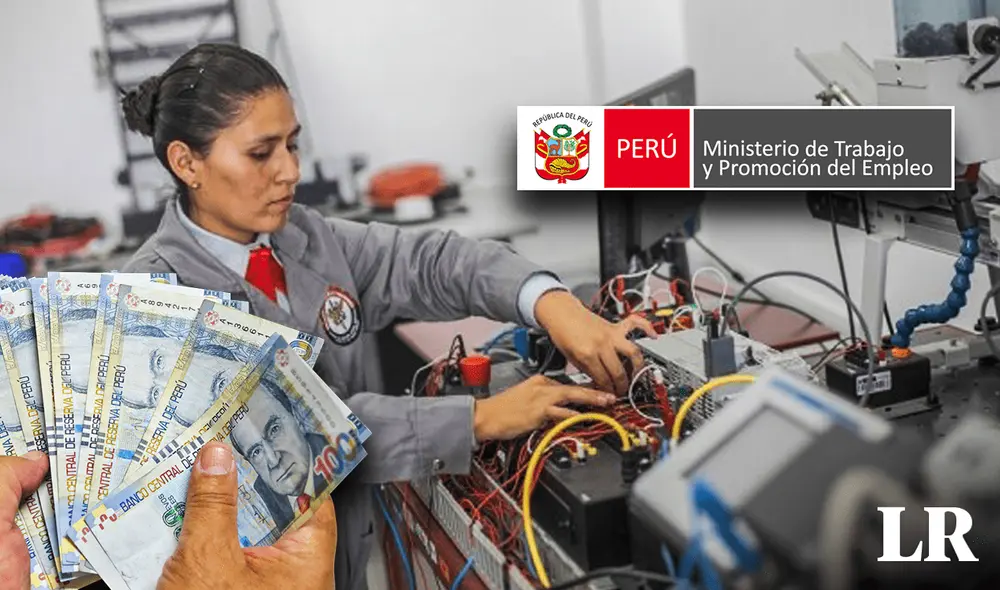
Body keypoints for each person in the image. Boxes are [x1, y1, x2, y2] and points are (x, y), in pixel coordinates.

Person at [119, 42, 657, 590]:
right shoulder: (155, 299)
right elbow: (294, 439)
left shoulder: (304, 237)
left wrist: (550, 302)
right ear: (187, 163)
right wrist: (478, 419)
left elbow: (430, 263)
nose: (290, 171)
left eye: (292, 144)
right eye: (261, 153)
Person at [230, 380, 333, 531]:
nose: (273, 460)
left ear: (296, 417)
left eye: (274, 429)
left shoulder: (337, 450)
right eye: (256, 452)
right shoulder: (263, 499)